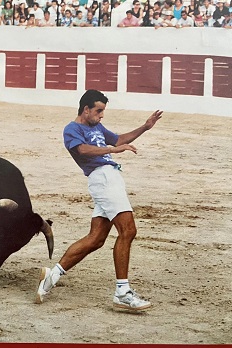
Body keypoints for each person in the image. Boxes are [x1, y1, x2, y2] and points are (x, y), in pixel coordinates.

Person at [36, 90, 163, 312]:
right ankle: (122, 292)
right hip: (103, 179)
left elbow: (119, 139)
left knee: (96, 239)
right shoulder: (72, 129)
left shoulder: (96, 127)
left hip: (109, 178)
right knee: (128, 231)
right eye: (98, 111)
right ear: (86, 109)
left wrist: (145, 127)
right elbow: (82, 150)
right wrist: (113, 150)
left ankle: (51, 276)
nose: (101, 115)